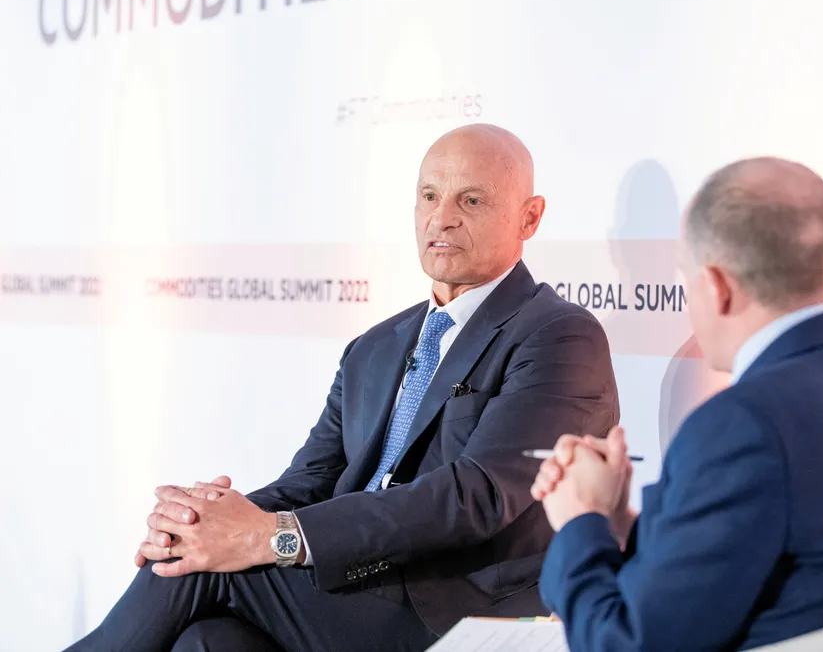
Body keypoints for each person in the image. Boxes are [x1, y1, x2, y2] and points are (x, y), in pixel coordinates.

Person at [68, 123, 619, 652]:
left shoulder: (558, 334)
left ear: (529, 217)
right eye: (429, 196)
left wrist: (266, 536)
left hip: (450, 605)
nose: (442, 218)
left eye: (470, 200)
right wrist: (205, 521)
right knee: (207, 639)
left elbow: (475, 497)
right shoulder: (374, 347)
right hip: (349, 581)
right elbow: (309, 481)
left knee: (199, 573)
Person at [531, 157, 823, 651]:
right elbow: (779, 558)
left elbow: (625, 644)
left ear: (717, 287)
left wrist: (580, 522)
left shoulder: (741, 424)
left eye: (685, 278)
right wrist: (619, 523)